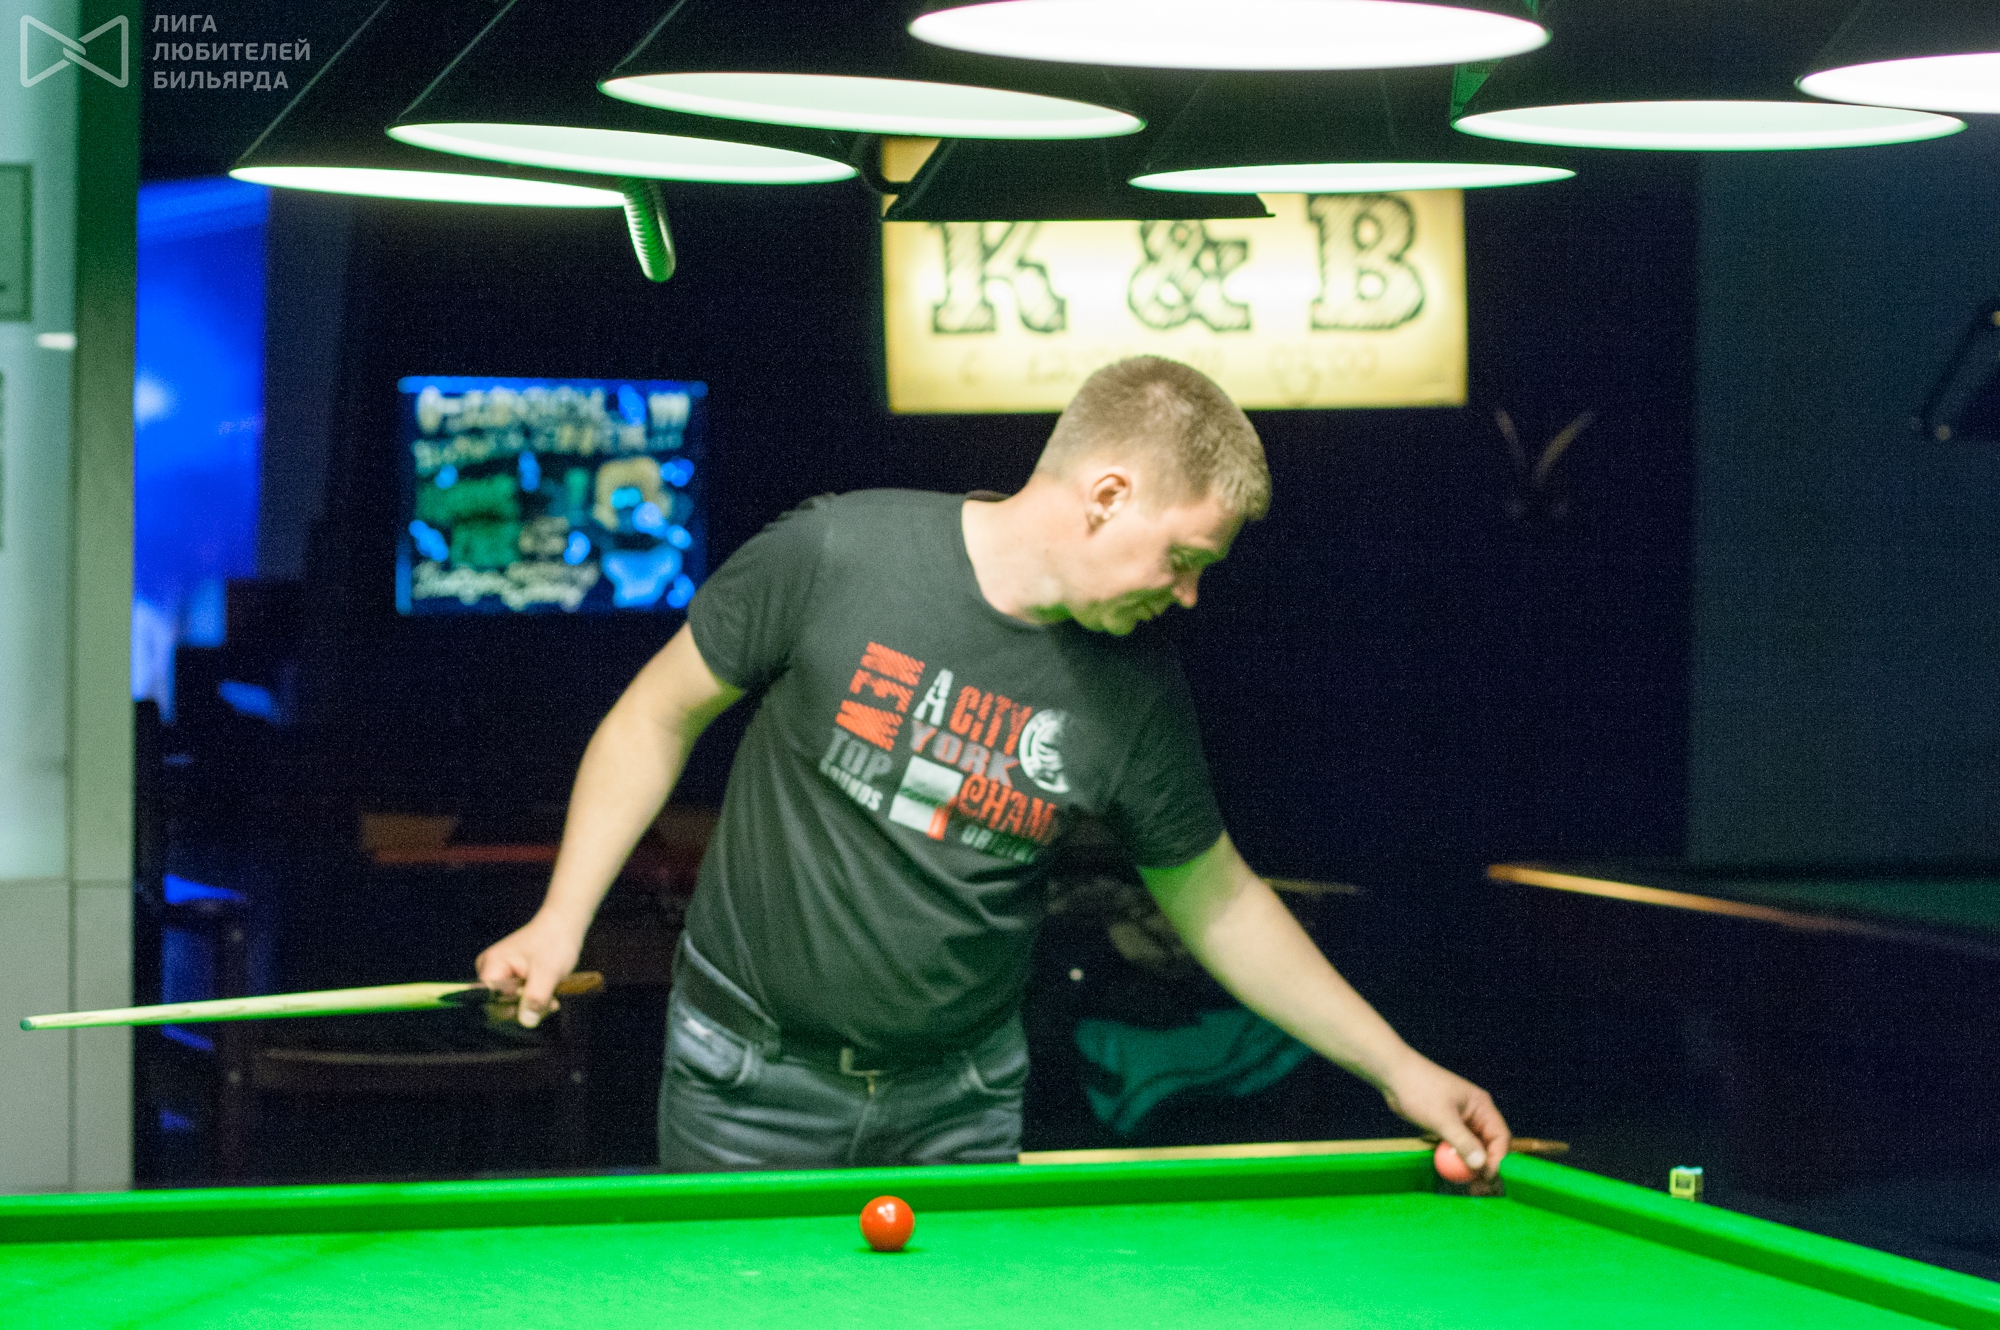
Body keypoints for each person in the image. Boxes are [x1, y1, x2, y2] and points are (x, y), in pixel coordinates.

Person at [476, 356, 1511, 1177]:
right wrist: (562, 917)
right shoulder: (836, 552)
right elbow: (654, 718)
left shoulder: (1138, 685)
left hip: (958, 1101)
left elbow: (1217, 898)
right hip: (746, 1081)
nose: (1188, 595)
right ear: (1108, 494)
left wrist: (1398, 1068)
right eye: (1184, 559)